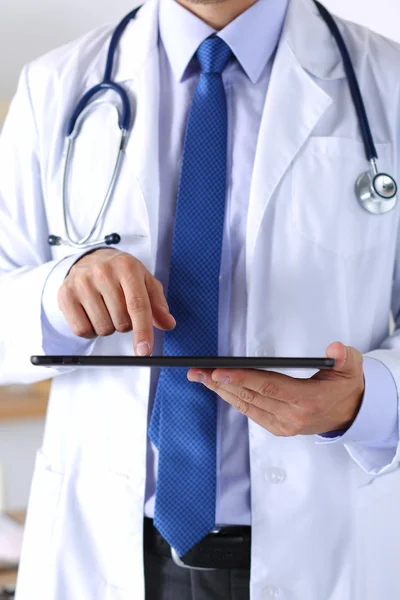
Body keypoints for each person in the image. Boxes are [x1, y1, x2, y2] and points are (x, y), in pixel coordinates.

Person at [1, 0, 400, 597]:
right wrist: (60, 292)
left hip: (324, 548)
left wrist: (369, 400)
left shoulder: (388, 84)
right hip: (106, 550)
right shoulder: (53, 85)